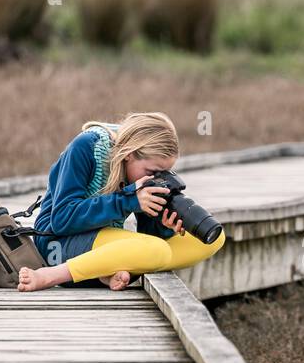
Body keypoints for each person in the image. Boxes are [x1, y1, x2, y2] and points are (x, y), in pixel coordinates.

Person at [16, 112, 224, 292]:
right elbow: (61, 219)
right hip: (57, 242)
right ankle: (51, 275)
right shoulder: (87, 147)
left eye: (164, 172)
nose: (155, 179)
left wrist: (164, 226)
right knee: (156, 250)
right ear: (129, 155)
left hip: (101, 241)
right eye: (152, 172)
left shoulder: (140, 176)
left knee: (213, 237)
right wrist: (129, 201)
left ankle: (105, 269)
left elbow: (148, 237)